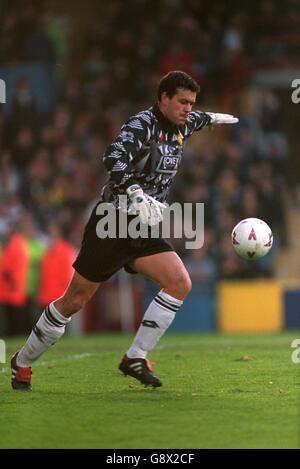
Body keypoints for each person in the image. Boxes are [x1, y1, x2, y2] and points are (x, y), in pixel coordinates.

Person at [11, 70, 238, 390]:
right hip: (112, 223)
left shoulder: (184, 123)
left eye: (192, 103)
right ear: (163, 99)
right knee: (75, 301)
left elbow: (196, 119)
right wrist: (135, 192)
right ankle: (22, 362)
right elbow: (113, 156)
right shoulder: (142, 124)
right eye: (182, 102)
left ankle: (135, 356)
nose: (188, 108)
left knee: (179, 282)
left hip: (144, 227)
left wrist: (211, 117)